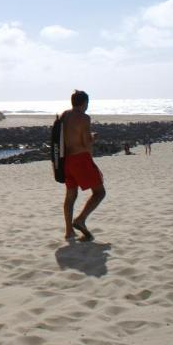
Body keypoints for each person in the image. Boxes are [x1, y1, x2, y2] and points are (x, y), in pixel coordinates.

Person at [62, 90, 106, 241]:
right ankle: (80, 219)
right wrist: (93, 137)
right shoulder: (84, 117)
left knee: (70, 196)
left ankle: (69, 231)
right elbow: (86, 142)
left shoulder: (64, 115)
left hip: (65, 160)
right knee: (100, 192)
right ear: (84, 103)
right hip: (80, 159)